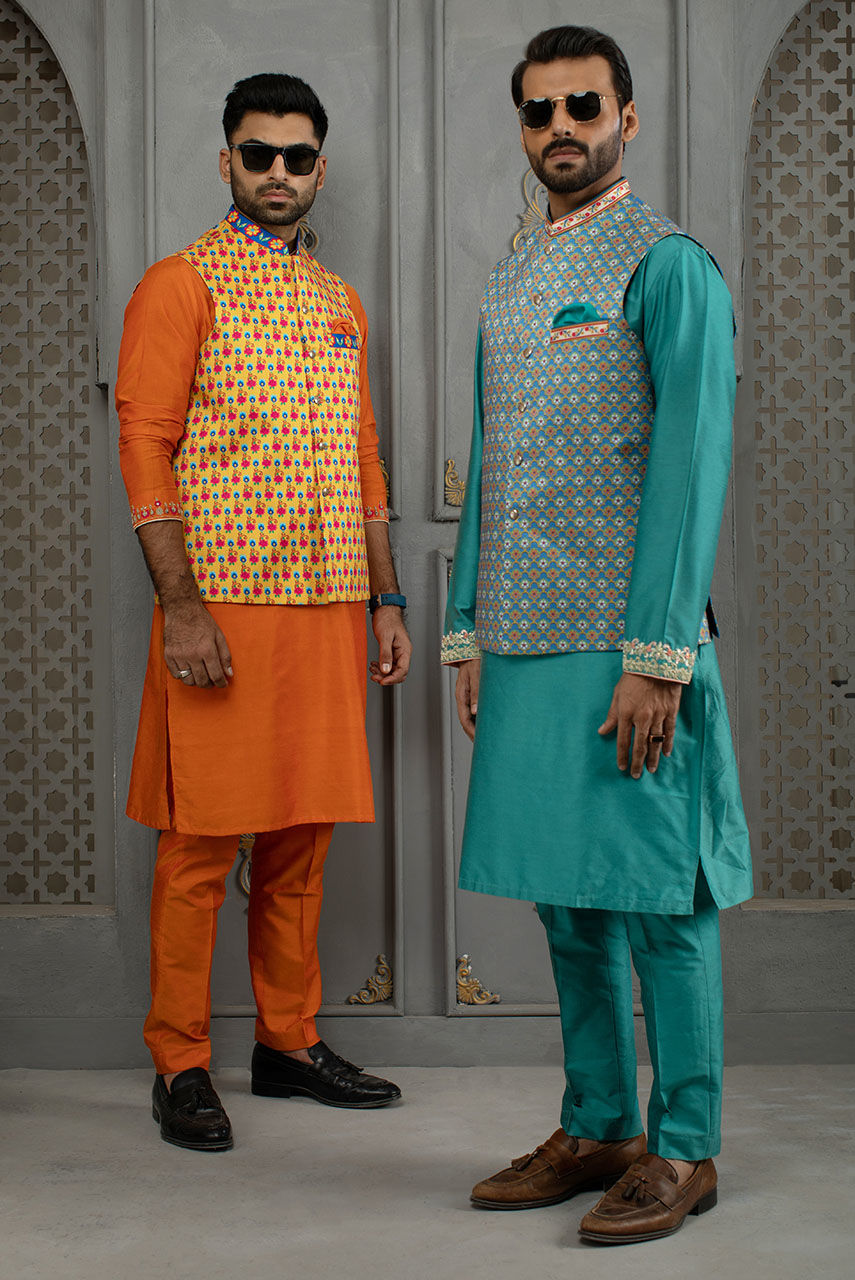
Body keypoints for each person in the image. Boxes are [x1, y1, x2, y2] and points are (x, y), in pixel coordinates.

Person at [442, 25, 752, 1244]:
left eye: (583, 105)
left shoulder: (667, 264)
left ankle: (685, 1145)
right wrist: (468, 626)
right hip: (525, 643)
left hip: (630, 647)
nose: (560, 127)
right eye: (540, 110)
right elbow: (491, 461)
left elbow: (691, 462)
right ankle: (599, 1123)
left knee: (662, 901)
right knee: (568, 904)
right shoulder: (515, 274)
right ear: (522, 127)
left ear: (626, 115)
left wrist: (658, 658)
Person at [117, 72, 411, 1152]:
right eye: (257, 154)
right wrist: (181, 606)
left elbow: (363, 457)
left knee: (300, 843)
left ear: (318, 168)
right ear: (228, 161)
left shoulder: (339, 302)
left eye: (296, 156)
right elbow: (144, 442)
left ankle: (287, 1042)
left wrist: (386, 596)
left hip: (329, 604)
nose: (277, 172)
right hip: (223, 606)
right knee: (199, 849)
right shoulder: (180, 283)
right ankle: (179, 1060)